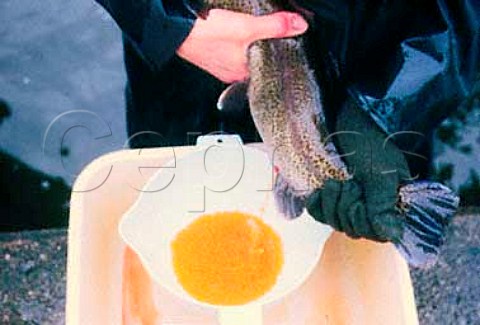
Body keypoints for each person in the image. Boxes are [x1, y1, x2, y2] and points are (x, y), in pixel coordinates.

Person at [94, 0, 478, 246]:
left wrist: (393, 104)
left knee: (362, 210)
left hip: (381, 56)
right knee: (180, 204)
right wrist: (164, 22)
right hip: (187, 61)